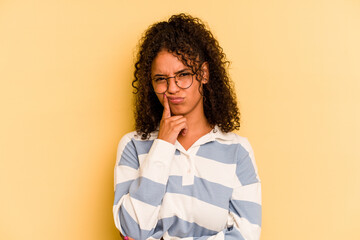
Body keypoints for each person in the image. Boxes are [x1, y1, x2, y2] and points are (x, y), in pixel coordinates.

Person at [113, 13, 261, 240]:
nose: (172, 88)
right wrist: (162, 145)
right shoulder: (133, 146)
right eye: (161, 79)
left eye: (183, 75)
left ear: (203, 73)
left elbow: (247, 235)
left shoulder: (237, 151)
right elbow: (132, 229)